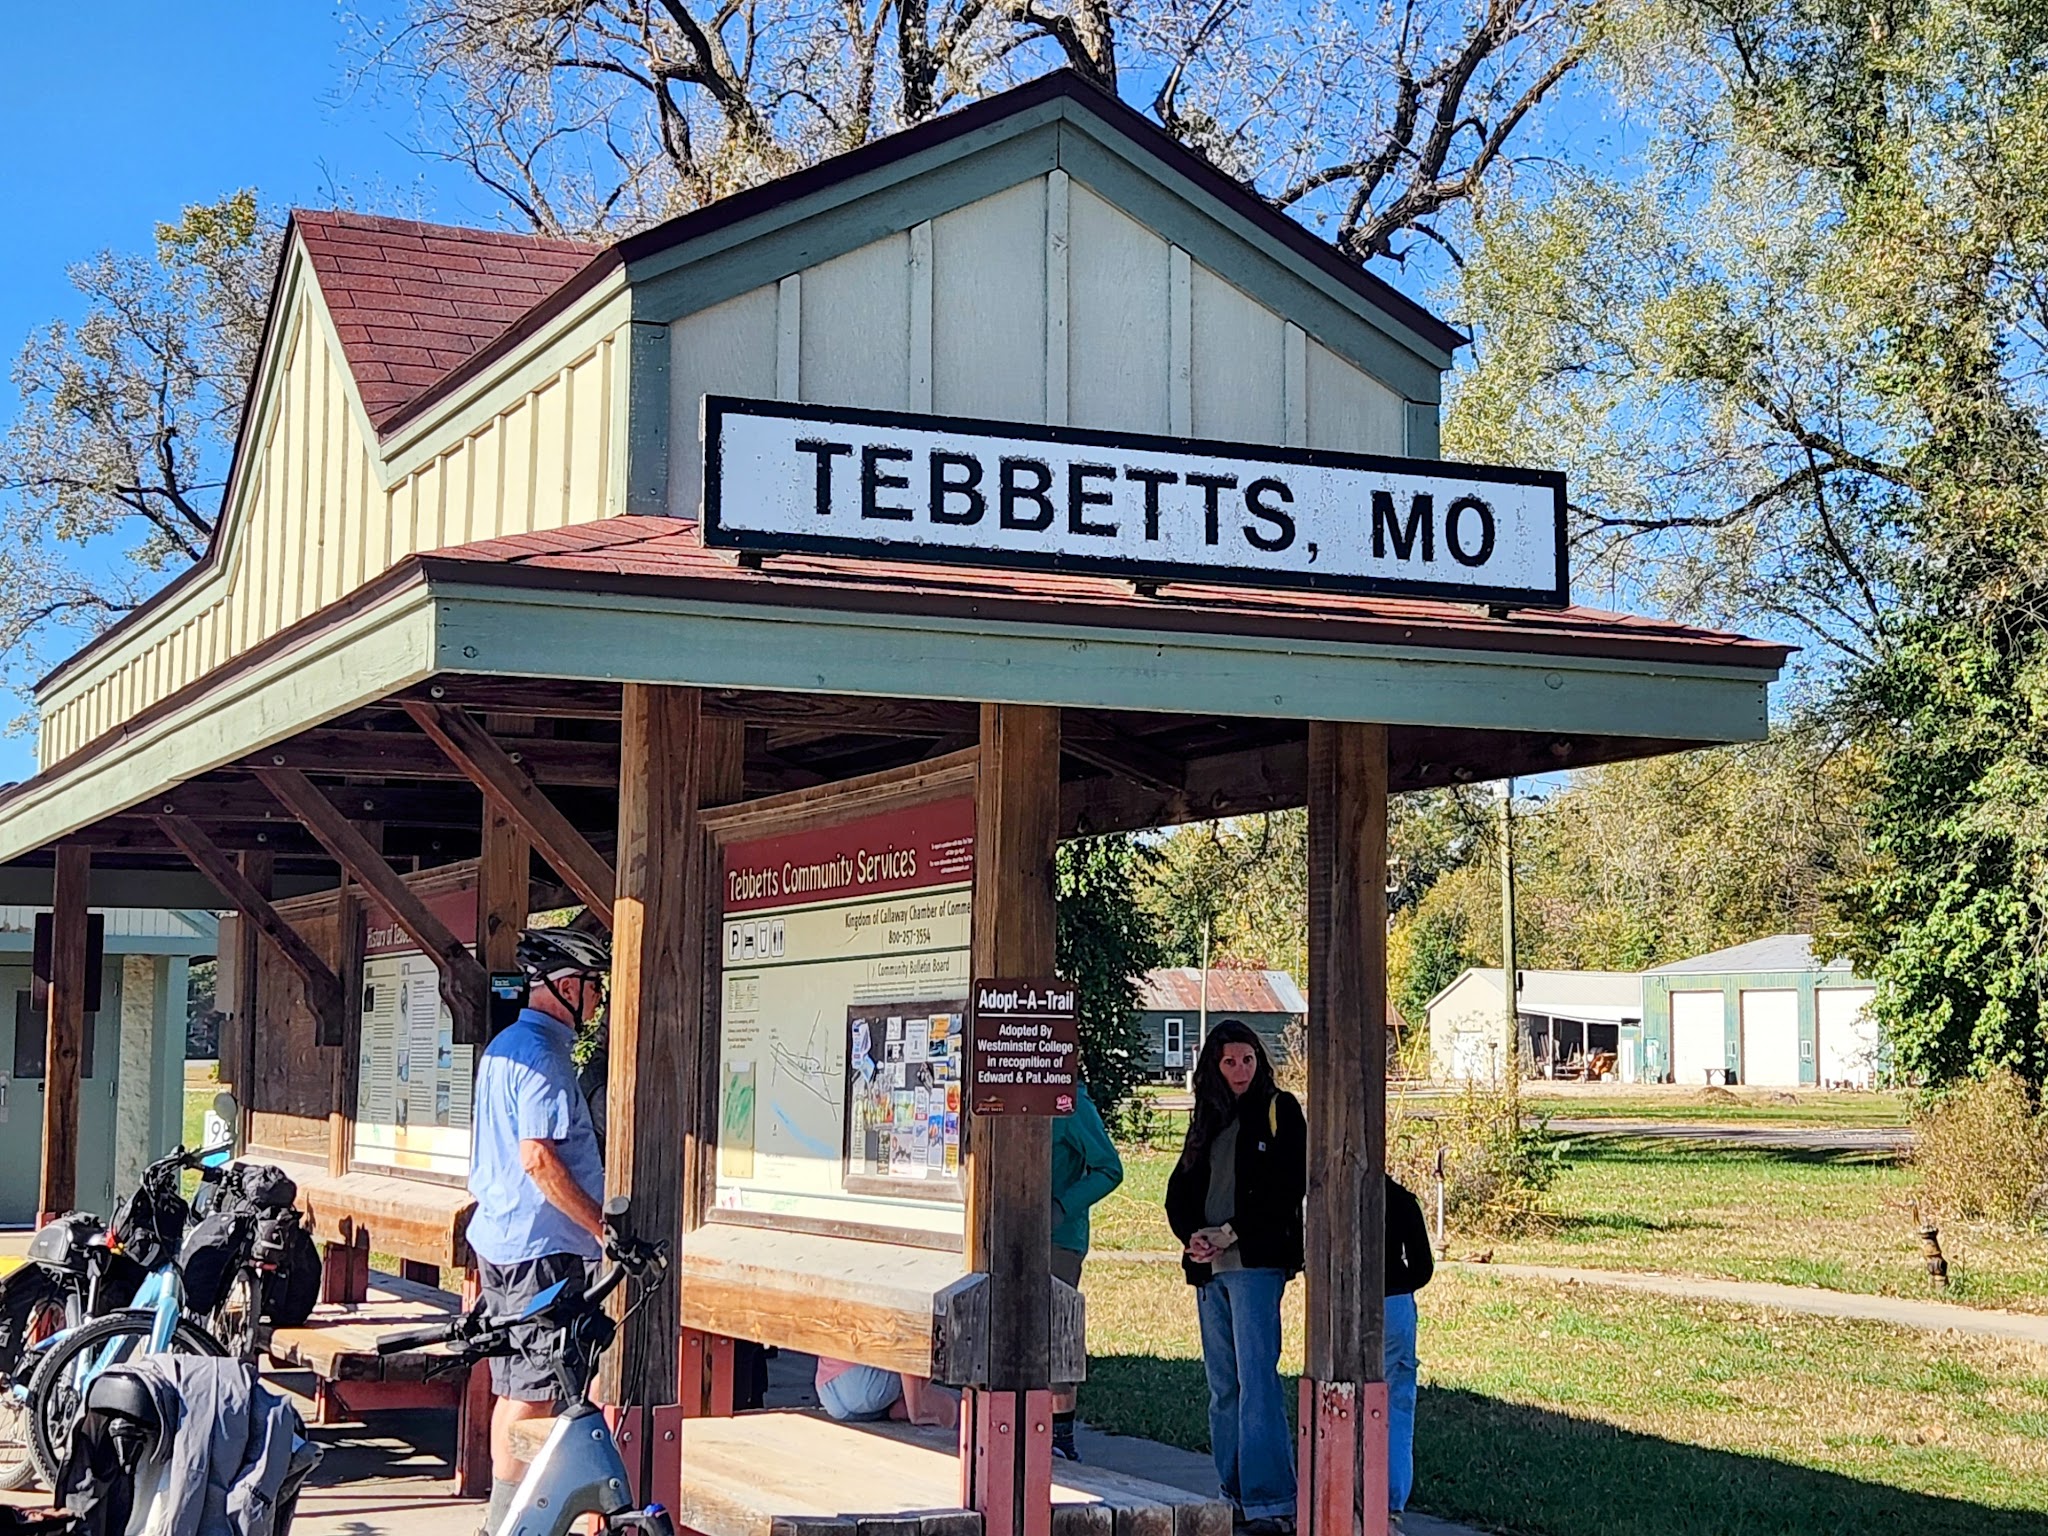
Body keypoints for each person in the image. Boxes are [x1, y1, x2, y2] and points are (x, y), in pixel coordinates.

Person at [467, 926, 611, 1535]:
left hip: (501, 1241)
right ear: (569, 987)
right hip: (542, 1251)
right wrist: (602, 1228)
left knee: (513, 1389)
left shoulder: (505, 1045)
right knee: (536, 1392)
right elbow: (538, 1158)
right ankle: (512, 1525)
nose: (599, 999)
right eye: (595, 986)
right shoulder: (546, 1057)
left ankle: (504, 1520)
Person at [1164, 1022, 1307, 1536]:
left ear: (1259, 1061)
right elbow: (1178, 1191)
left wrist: (1232, 1232)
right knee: (1223, 1386)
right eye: (1230, 1062)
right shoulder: (1207, 1118)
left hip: (1256, 1265)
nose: (1240, 1070)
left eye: (1248, 1060)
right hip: (1209, 1269)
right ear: (1214, 1067)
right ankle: (1234, 1494)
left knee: (1257, 1382)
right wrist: (1191, 1236)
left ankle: (1272, 1502)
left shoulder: (1279, 1109)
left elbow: (1288, 1186)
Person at [1050, 1077, 1125, 1460]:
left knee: (1057, 1332)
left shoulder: (1070, 1101)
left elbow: (1109, 1168)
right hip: (1006, 1235)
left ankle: (1062, 1438)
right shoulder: (1000, 1092)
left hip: (1058, 1241)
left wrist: (1062, 1206)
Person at [1384, 1174, 1433, 1522]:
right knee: (1395, 1403)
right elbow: (1422, 1267)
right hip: (1394, 1302)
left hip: (1341, 1304)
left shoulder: (1330, 1196)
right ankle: (1390, 1505)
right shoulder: (1400, 1199)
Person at [814, 1359, 959, 1428]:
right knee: (932, 1346)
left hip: (828, 1392)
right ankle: (905, 1403)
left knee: (947, 1407)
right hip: (866, 1387)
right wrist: (916, 1414)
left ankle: (902, 1402)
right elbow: (907, 1352)